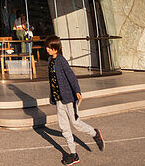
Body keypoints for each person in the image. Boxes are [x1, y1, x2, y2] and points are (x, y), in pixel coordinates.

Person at [45, 35, 104, 164]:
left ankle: (95, 133)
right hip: (58, 99)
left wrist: (77, 91)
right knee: (64, 127)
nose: (47, 49)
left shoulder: (61, 61)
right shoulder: (50, 61)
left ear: (56, 48)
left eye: (49, 47)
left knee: (76, 123)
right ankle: (73, 154)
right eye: (47, 47)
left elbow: (71, 77)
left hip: (68, 98)